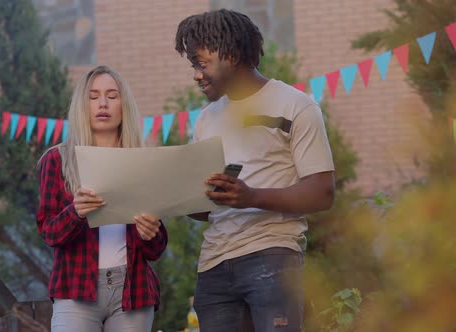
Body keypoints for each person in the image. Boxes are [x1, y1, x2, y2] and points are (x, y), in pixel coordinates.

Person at [175, 9, 335, 332]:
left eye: (201, 64)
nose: (195, 75)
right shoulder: (205, 119)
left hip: (272, 257)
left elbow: (322, 192)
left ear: (231, 56)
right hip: (214, 267)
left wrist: (250, 196)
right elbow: (204, 211)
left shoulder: (296, 106)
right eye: (193, 65)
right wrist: (182, 198)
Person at [36, 65, 168, 332]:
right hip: (75, 289)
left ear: (124, 105)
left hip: (134, 291)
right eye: (93, 97)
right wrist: (76, 213)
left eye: (112, 95)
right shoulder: (58, 159)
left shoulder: (141, 162)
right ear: (81, 106)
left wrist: (150, 232)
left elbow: (156, 250)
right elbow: (49, 233)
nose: (103, 104)